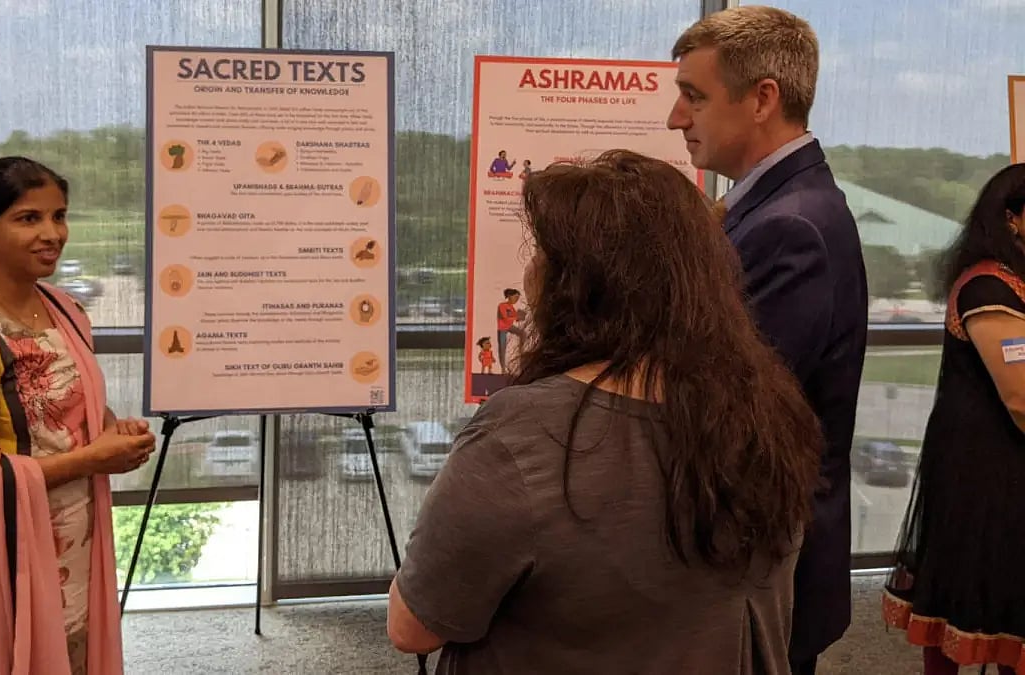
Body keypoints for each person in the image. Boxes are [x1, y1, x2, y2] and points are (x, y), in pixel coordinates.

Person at [387, 150, 824, 673]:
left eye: (544, 253)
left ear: (580, 287)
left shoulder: (522, 435)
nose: (530, 271)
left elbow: (412, 627)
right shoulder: (770, 413)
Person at [667, 7, 869, 673]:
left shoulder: (792, 228)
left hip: (760, 568)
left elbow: (734, 415)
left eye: (693, 96)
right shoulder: (768, 207)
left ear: (762, 99)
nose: (676, 118)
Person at [0, 156, 156, 675]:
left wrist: (113, 429)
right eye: (28, 219)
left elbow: (70, 406)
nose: (52, 234)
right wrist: (94, 458)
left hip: (72, 540)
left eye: (59, 216)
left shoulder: (64, 307)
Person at [883, 164, 1025, 675]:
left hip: (1006, 465)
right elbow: (1020, 395)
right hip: (984, 471)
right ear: (1012, 219)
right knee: (966, 597)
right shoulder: (988, 286)